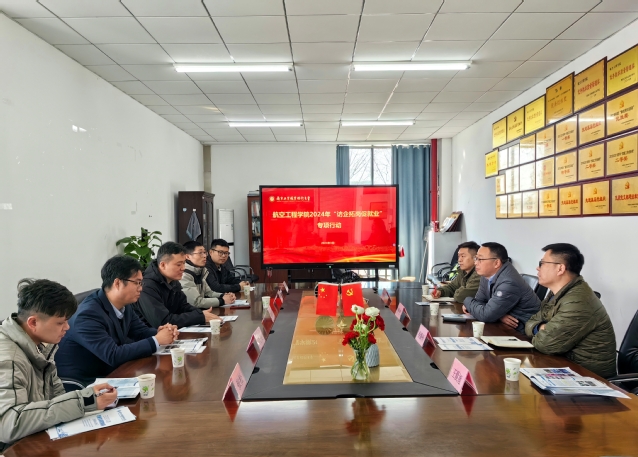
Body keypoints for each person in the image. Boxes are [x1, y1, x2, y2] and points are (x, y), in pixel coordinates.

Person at [0, 279, 118, 451]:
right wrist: (83, 401)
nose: (67, 327)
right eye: (60, 322)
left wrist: (89, 399)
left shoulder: (42, 345)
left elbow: (57, 397)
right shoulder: (8, 358)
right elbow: (9, 424)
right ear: (33, 322)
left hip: (38, 439)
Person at [55, 256, 179, 386]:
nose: (140, 288)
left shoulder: (124, 305)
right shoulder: (87, 315)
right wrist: (157, 340)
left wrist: (162, 332)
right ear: (117, 283)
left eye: (141, 283)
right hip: (85, 382)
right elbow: (113, 355)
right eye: (137, 283)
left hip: (111, 373)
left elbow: (140, 332)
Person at [525, 244, 616, 378]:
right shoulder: (557, 293)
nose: (537, 268)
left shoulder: (578, 301)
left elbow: (545, 344)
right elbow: (531, 322)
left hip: (588, 376)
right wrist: (541, 327)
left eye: (542, 263)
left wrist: (542, 329)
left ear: (560, 268)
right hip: (562, 364)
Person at [134, 242, 220, 328]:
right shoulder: (146, 286)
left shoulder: (173, 280)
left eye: (184, 263)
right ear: (163, 265)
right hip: (151, 334)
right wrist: (199, 317)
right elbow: (163, 322)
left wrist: (201, 313)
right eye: (179, 264)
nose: (183, 268)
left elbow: (183, 306)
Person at [463, 242, 540, 333]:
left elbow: (485, 315)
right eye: (476, 258)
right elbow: (480, 301)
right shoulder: (486, 275)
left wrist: (467, 300)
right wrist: (499, 315)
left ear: (496, 263)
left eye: (480, 259)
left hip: (522, 332)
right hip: (503, 327)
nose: (475, 263)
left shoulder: (509, 281)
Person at [181, 241, 235, 308]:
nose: (205, 256)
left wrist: (223, 295)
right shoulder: (184, 275)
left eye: (204, 252)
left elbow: (209, 293)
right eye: (200, 253)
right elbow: (196, 302)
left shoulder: (201, 271)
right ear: (187, 256)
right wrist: (222, 301)